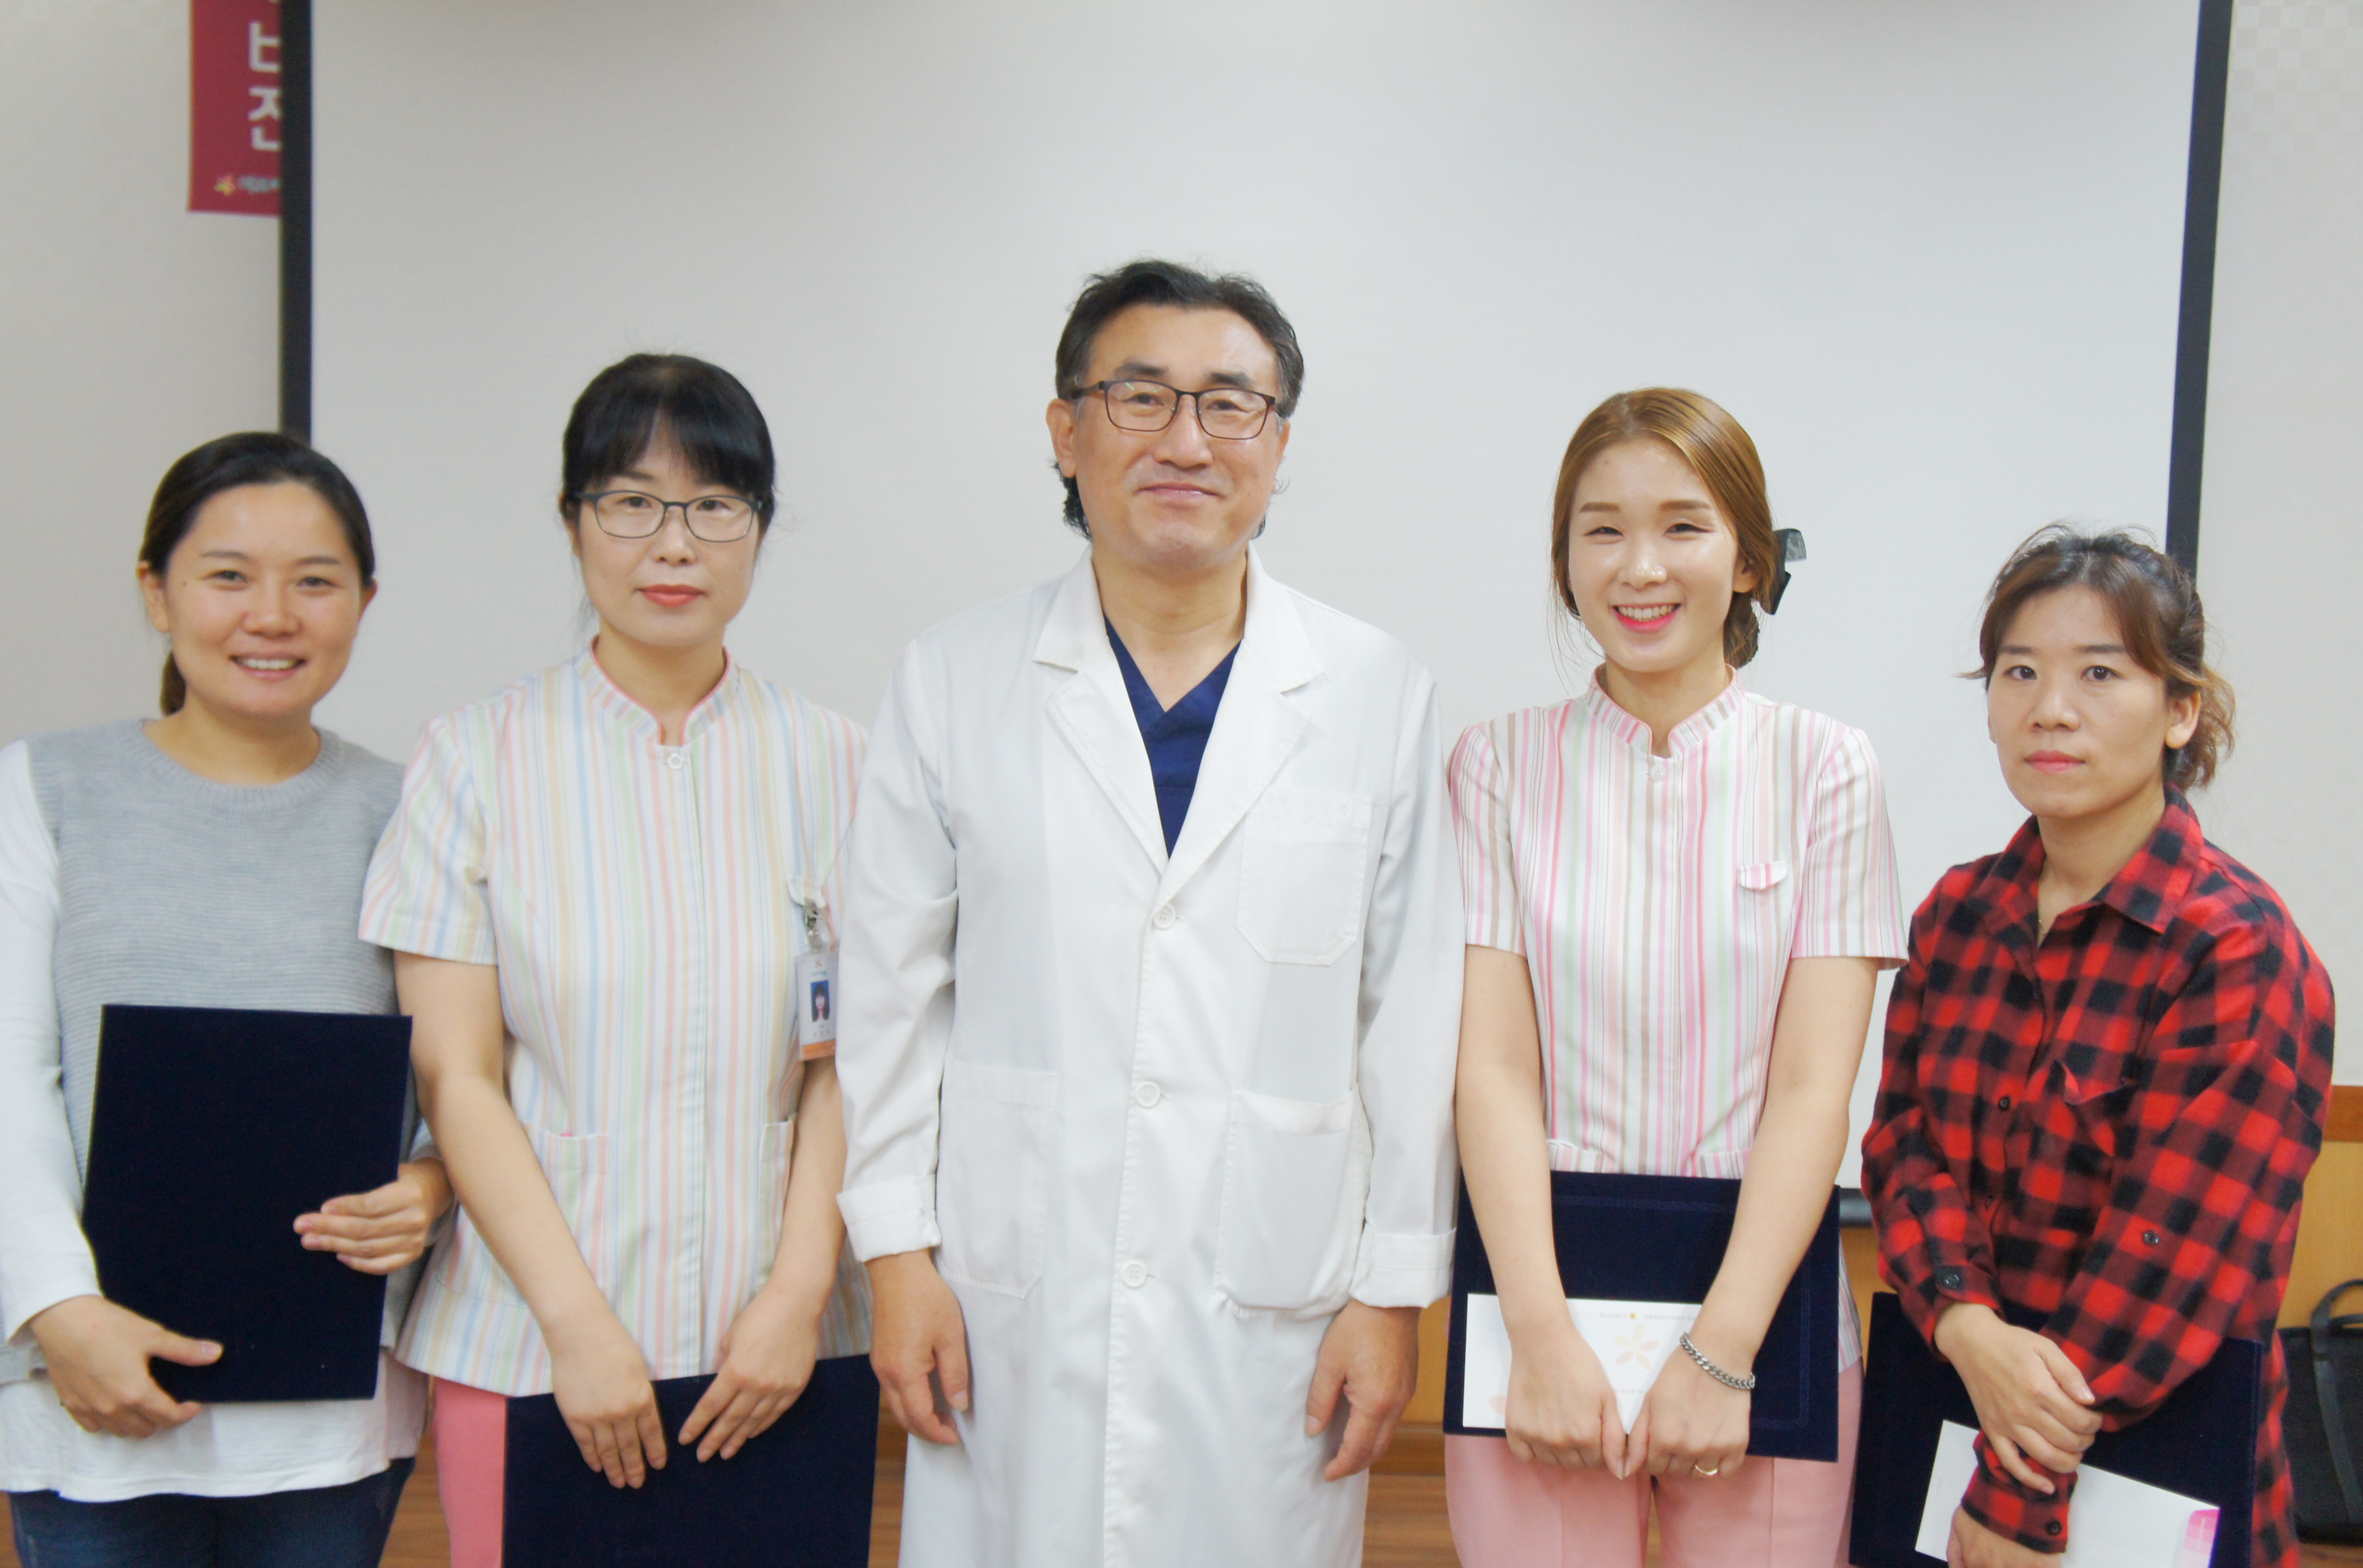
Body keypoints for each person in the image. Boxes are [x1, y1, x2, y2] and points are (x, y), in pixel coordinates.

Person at [833, 259, 1464, 1567]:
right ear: (1066, 431)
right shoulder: (952, 679)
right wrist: (895, 1256)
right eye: (1140, 396)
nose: (1186, 439)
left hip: (1275, 1299)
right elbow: (891, 994)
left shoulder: (1371, 689)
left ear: (1277, 444)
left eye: (1230, 403)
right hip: (1013, 1296)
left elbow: (1409, 1019)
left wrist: (1392, 1291)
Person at [360, 354, 874, 1566]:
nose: (674, 544)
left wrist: (797, 1300)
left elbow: (848, 1064)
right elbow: (458, 1077)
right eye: (632, 502)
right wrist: (576, 1326)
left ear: (759, 527)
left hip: (782, 1354)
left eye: (715, 506)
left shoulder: (840, 763)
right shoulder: (474, 759)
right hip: (531, 1346)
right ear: (574, 519)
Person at [1446, 389, 1905, 1567]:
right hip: (1539, 1304)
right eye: (1601, 530)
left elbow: (1812, 1089)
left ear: (1748, 559)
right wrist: (1540, 1335)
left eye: (1683, 526)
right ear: (1565, 562)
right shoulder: (1496, 765)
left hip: (1762, 1312)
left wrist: (1722, 1351)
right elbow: (1493, 1068)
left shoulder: (1826, 767)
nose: (1639, 566)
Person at [0, 432, 448, 1567]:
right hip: (84, 1382)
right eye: (229, 576)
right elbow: (9, 1072)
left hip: (327, 1401)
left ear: (366, 602)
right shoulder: (41, 787)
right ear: (157, 592)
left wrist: (431, 1185)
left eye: (315, 581)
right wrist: (58, 1310)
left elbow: (466, 1067)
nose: (273, 616)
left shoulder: (416, 812)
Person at [1862, 526, 2333, 1568]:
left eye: (2101, 674)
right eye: (2019, 672)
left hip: (2147, 1466)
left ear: (2181, 710)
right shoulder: (1958, 913)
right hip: (1946, 1413)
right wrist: (1966, 1327)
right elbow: (1902, 1149)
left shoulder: (2238, 949)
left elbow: (2173, 1259)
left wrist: (2017, 1494)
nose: (2051, 709)